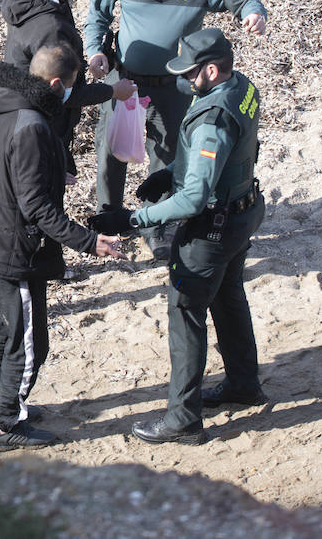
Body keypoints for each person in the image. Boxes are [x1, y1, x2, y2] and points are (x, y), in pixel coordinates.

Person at [91, 28, 265, 444]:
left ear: (210, 70)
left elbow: (193, 199)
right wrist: (171, 172)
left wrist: (137, 218)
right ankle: (243, 383)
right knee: (228, 297)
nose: (182, 80)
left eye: (188, 72)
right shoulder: (242, 86)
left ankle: (182, 420)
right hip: (244, 209)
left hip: (213, 228)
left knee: (185, 315)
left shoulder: (212, 119)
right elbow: (232, 153)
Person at [83, 0, 267, 259]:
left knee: (166, 154)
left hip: (174, 85)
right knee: (110, 150)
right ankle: (109, 221)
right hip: (125, 82)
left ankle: (157, 229)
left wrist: (253, 13)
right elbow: (98, 15)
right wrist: (96, 52)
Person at [0, 44, 123, 450]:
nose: (71, 95)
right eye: (71, 88)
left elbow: (17, 170)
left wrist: (56, 166)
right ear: (56, 84)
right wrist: (91, 243)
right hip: (16, 250)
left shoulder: (5, 105)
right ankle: (6, 424)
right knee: (29, 342)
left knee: (3, 332)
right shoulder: (34, 125)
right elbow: (36, 207)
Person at [1, 0, 137, 177]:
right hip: (42, 123)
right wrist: (113, 91)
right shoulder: (51, 29)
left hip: (16, 111)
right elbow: (63, 92)